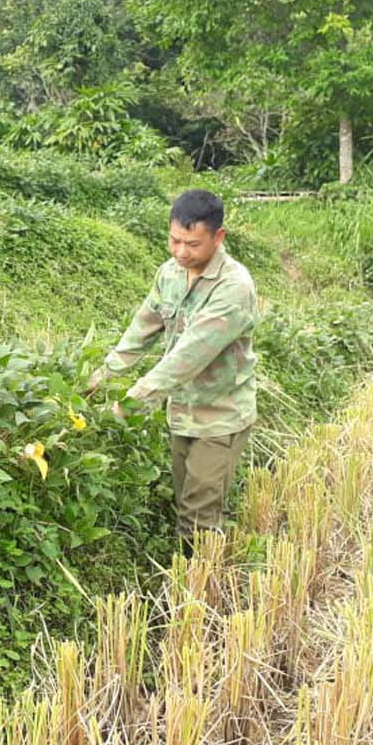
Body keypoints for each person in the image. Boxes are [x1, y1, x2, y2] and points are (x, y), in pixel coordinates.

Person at [85, 189, 257, 556]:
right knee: (186, 504)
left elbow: (188, 357)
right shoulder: (170, 274)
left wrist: (132, 402)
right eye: (174, 240)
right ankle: (196, 575)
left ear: (218, 236)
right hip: (182, 411)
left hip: (220, 415)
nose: (181, 252)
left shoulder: (234, 288)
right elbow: (143, 327)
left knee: (198, 516)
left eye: (192, 244)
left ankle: (204, 593)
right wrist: (102, 374)